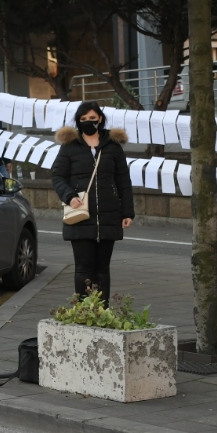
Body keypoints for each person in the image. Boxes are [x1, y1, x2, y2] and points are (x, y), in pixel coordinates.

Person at [51, 101, 133, 301]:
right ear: (78, 121)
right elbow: (57, 176)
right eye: (84, 119)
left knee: (103, 269)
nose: (89, 122)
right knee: (83, 268)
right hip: (80, 215)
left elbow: (123, 180)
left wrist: (127, 212)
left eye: (93, 119)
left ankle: (102, 310)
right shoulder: (70, 146)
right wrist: (70, 196)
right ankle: (84, 309)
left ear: (101, 119)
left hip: (108, 214)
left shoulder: (112, 146)